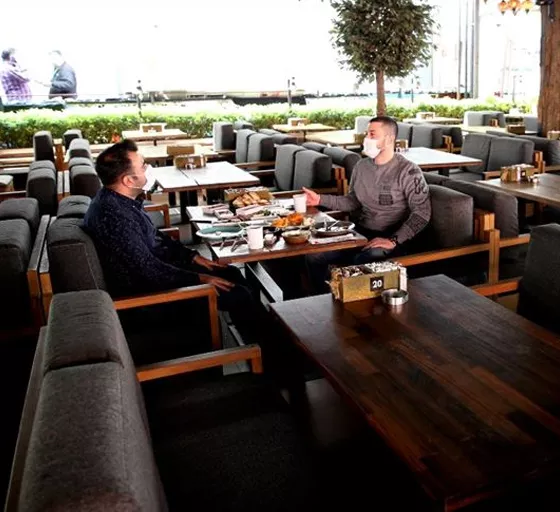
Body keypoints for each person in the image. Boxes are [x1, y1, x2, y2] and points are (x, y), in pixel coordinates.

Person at [83, 140, 260, 343]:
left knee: (232, 273)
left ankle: (258, 336)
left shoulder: (120, 201)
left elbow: (155, 237)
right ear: (128, 180)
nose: (148, 169)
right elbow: (147, 271)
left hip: (157, 276)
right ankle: (260, 350)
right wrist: (199, 278)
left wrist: (191, 257)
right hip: (150, 300)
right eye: (143, 166)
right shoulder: (114, 217)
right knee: (238, 293)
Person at [303, 116, 431, 293]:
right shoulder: (361, 166)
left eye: (372, 134)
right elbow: (353, 201)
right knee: (314, 256)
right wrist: (319, 200)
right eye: (366, 134)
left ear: (389, 139)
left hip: (393, 237)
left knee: (362, 261)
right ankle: (321, 299)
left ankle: (350, 301)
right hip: (360, 232)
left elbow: (422, 213)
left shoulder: (409, 171)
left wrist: (394, 240)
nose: (366, 139)